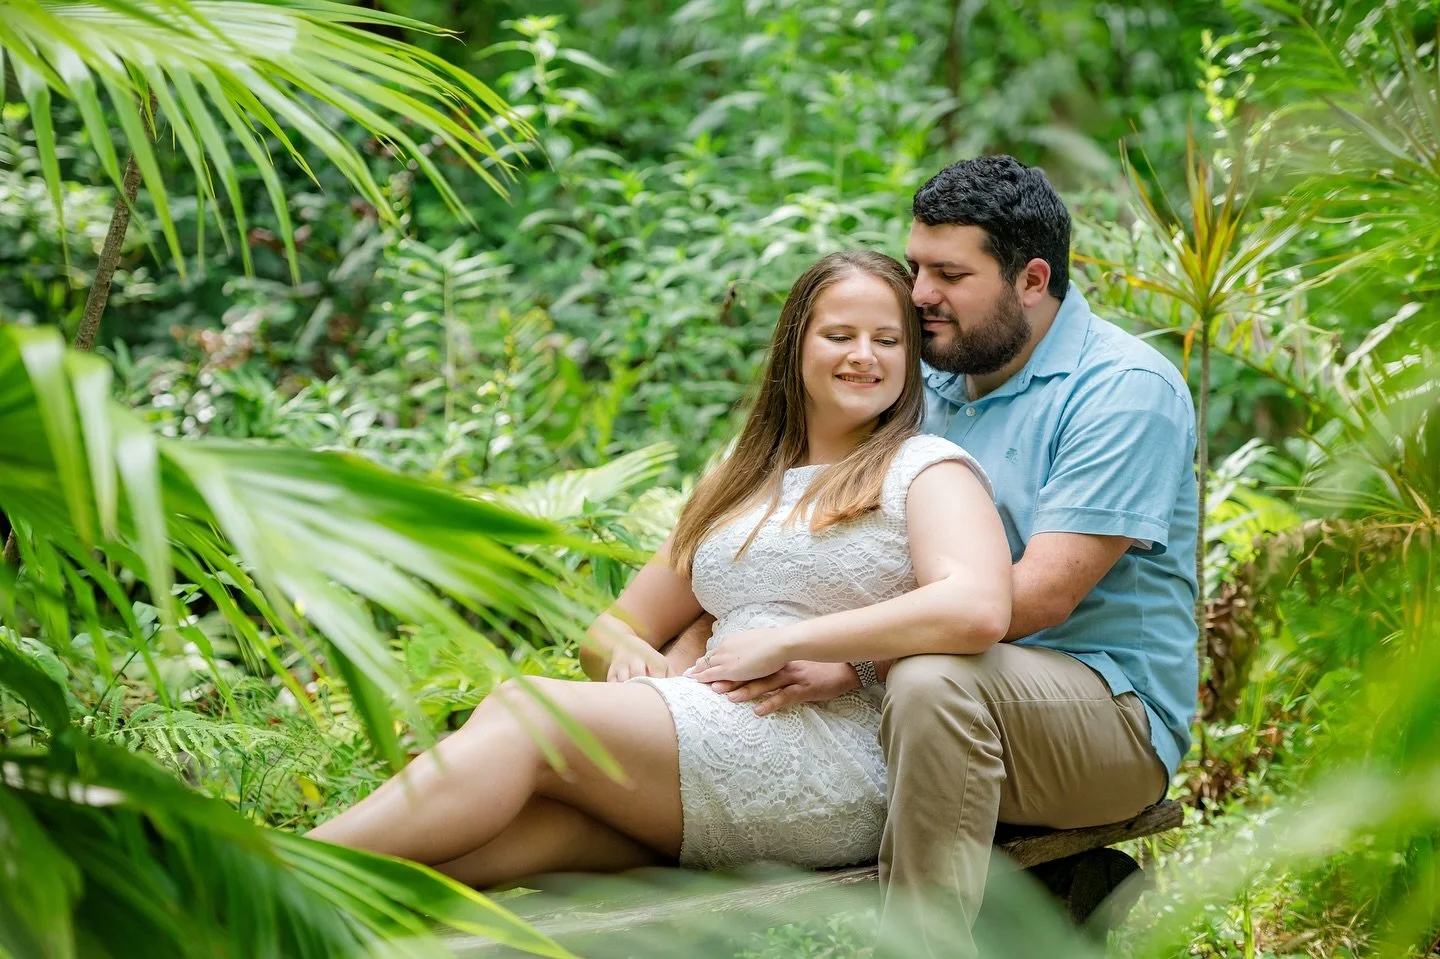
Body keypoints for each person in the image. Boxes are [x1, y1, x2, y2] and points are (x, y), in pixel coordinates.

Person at [308, 251, 1013, 886]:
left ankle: (261, 866)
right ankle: (263, 912)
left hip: (832, 755)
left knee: (530, 709)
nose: (865, 356)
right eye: (840, 335)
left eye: (888, 340)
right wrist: (631, 661)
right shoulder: (739, 483)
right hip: (707, 729)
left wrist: (797, 641)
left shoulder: (923, 469)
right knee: (502, 844)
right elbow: (610, 628)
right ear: (795, 344)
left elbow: (978, 605)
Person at [677, 156, 1200, 956]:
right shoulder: (927, 374)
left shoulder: (1124, 390)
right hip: (919, 687)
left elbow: (1033, 599)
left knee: (933, 678)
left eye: (948, 273)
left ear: (1031, 279)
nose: (919, 294)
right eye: (917, 265)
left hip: (1107, 715)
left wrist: (851, 660)